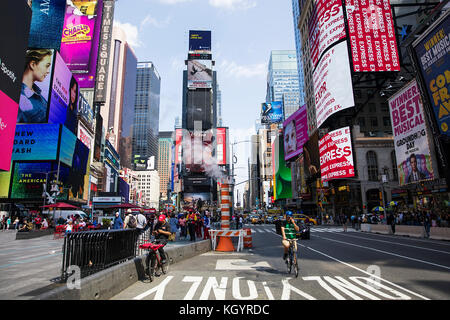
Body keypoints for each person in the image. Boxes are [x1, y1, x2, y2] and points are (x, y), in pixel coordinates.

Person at [18, 49, 53, 123]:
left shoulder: (38, 95)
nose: (48, 71)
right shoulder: (18, 96)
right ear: (33, 64)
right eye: (47, 66)